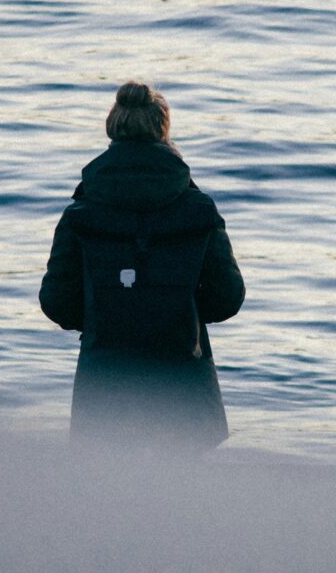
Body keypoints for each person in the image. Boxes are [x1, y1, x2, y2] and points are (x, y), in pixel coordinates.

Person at [39, 81, 245, 453]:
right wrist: (179, 306)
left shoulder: (80, 214)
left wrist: (107, 313)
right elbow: (227, 298)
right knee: (181, 504)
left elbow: (57, 303)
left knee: (108, 503)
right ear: (163, 129)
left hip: (105, 383)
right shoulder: (199, 210)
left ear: (113, 128)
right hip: (182, 385)